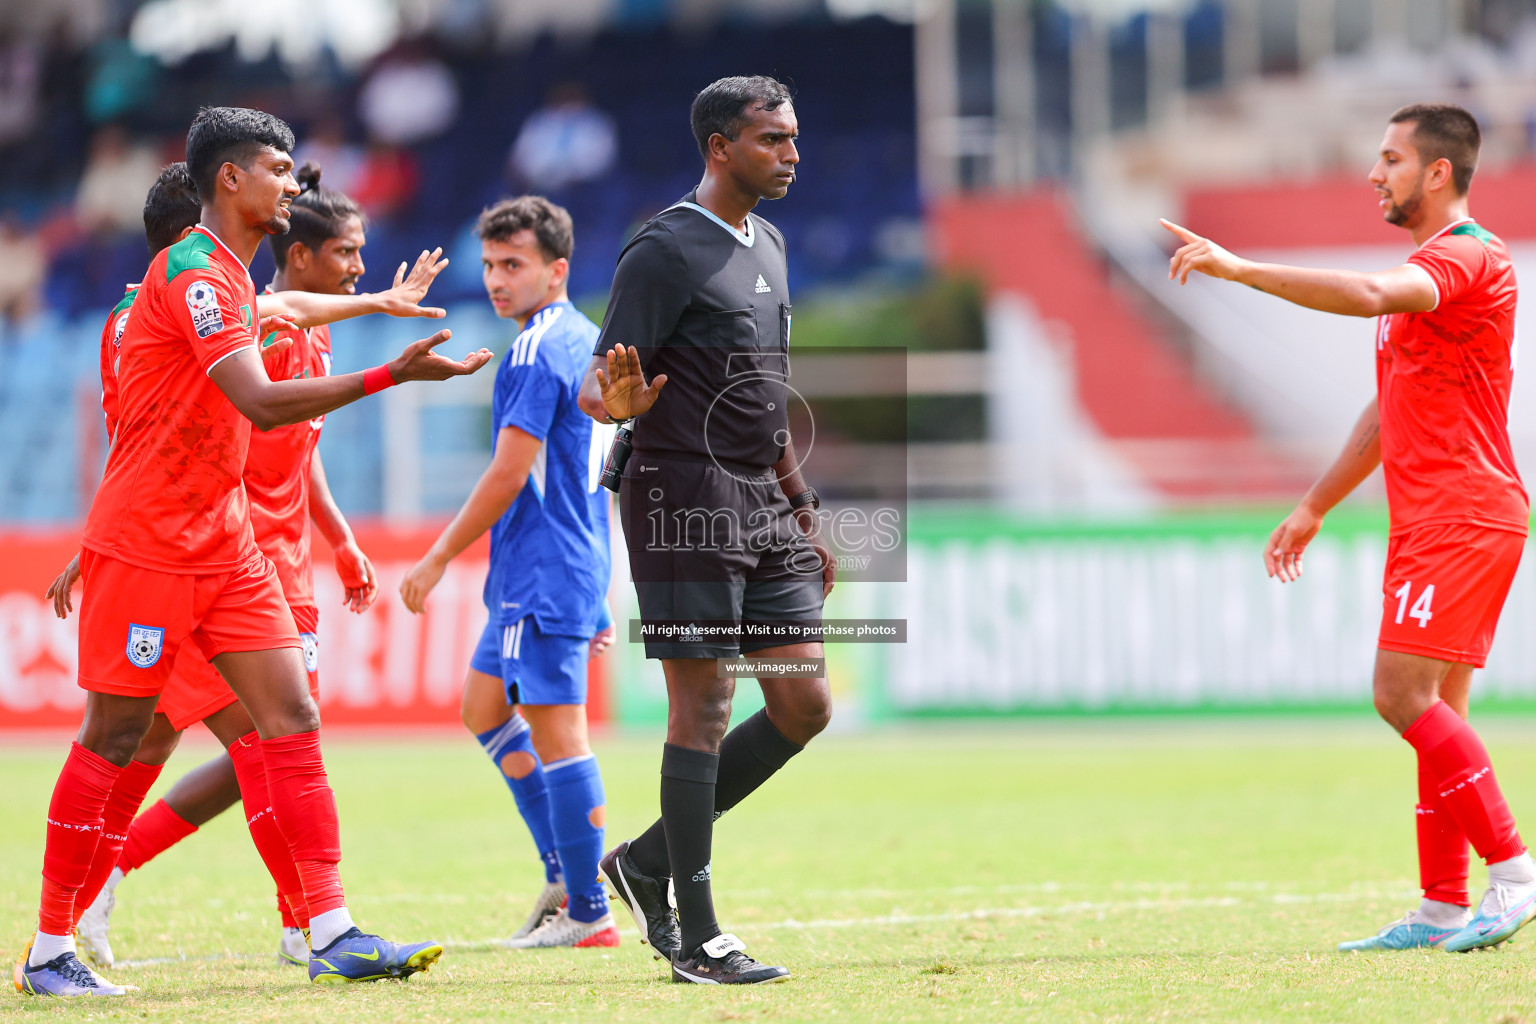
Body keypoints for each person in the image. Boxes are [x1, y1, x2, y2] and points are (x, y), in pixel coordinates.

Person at [15, 105, 491, 999]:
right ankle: (48, 948)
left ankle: (329, 928)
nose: (293, 181)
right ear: (229, 179)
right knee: (118, 734)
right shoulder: (194, 274)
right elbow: (264, 404)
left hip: (227, 543)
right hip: (152, 543)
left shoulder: (230, 278)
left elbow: (287, 305)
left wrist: (377, 302)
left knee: (291, 718)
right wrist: (392, 369)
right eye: (279, 167)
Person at [1163, 102, 1536, 954]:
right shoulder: (1422, 287)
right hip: (1437, 515)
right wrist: (1315, 504)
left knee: (1398, 696)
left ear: (1437, 172)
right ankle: (1443, 905)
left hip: (1465, 512)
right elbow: (1384, 414)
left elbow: (1368, 291)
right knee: (1437, 711)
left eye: (1391, 159)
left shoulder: (1469, 257)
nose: (1376, 173)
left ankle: (1514, 874)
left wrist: (1237, 268)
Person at [69, 162, 437, 971]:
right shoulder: (212, 317)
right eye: (344, 252)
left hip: (254, 557)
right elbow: (187, 436)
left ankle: (282, 917)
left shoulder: (288, 322)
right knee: (251, 740)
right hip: (217, 555)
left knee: (173, 735)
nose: (357, 265)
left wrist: (338, 535)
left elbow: (296, 447)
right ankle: (304, 920)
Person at [577, 76, 835, 985]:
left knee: (805, 705)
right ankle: (697, 932)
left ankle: (644, 863)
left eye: (795, 138)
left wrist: (804, 508)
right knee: (705, 708)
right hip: (683, 499)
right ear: (721, 146)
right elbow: (598, 384)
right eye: (773, 140)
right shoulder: (663, 248)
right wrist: (615, 400)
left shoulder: (769, 241)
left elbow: (764, 400)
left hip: (765, 506)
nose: (791, 155)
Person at [399, 196, 619, 949]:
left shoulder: (533, 351)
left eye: (513, 265)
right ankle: (565, 873)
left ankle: (588, 911)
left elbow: (508, 474)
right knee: (483, 707)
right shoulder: (585, 338)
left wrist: (435, 557)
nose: (497, 279)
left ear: (555, 270)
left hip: (543, 568)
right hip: (563, 561)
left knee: (561, 735)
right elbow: (593, 468)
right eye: (490, 264)